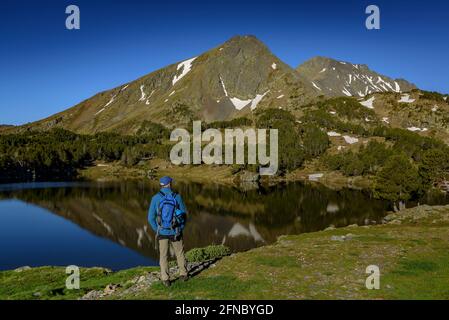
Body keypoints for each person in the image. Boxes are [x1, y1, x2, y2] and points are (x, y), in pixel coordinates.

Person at [148, 176, 188, 287]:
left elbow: (151, 218)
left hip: (162, 233)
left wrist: (158, 230)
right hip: (175, 231)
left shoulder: (155, 198)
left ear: (161, 185)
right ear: (170, 184)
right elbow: (184, 215)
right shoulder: (177, 197)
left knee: (163, 256)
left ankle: (166, 279)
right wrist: (180, 228)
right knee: (179, 253)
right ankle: (183, 275)